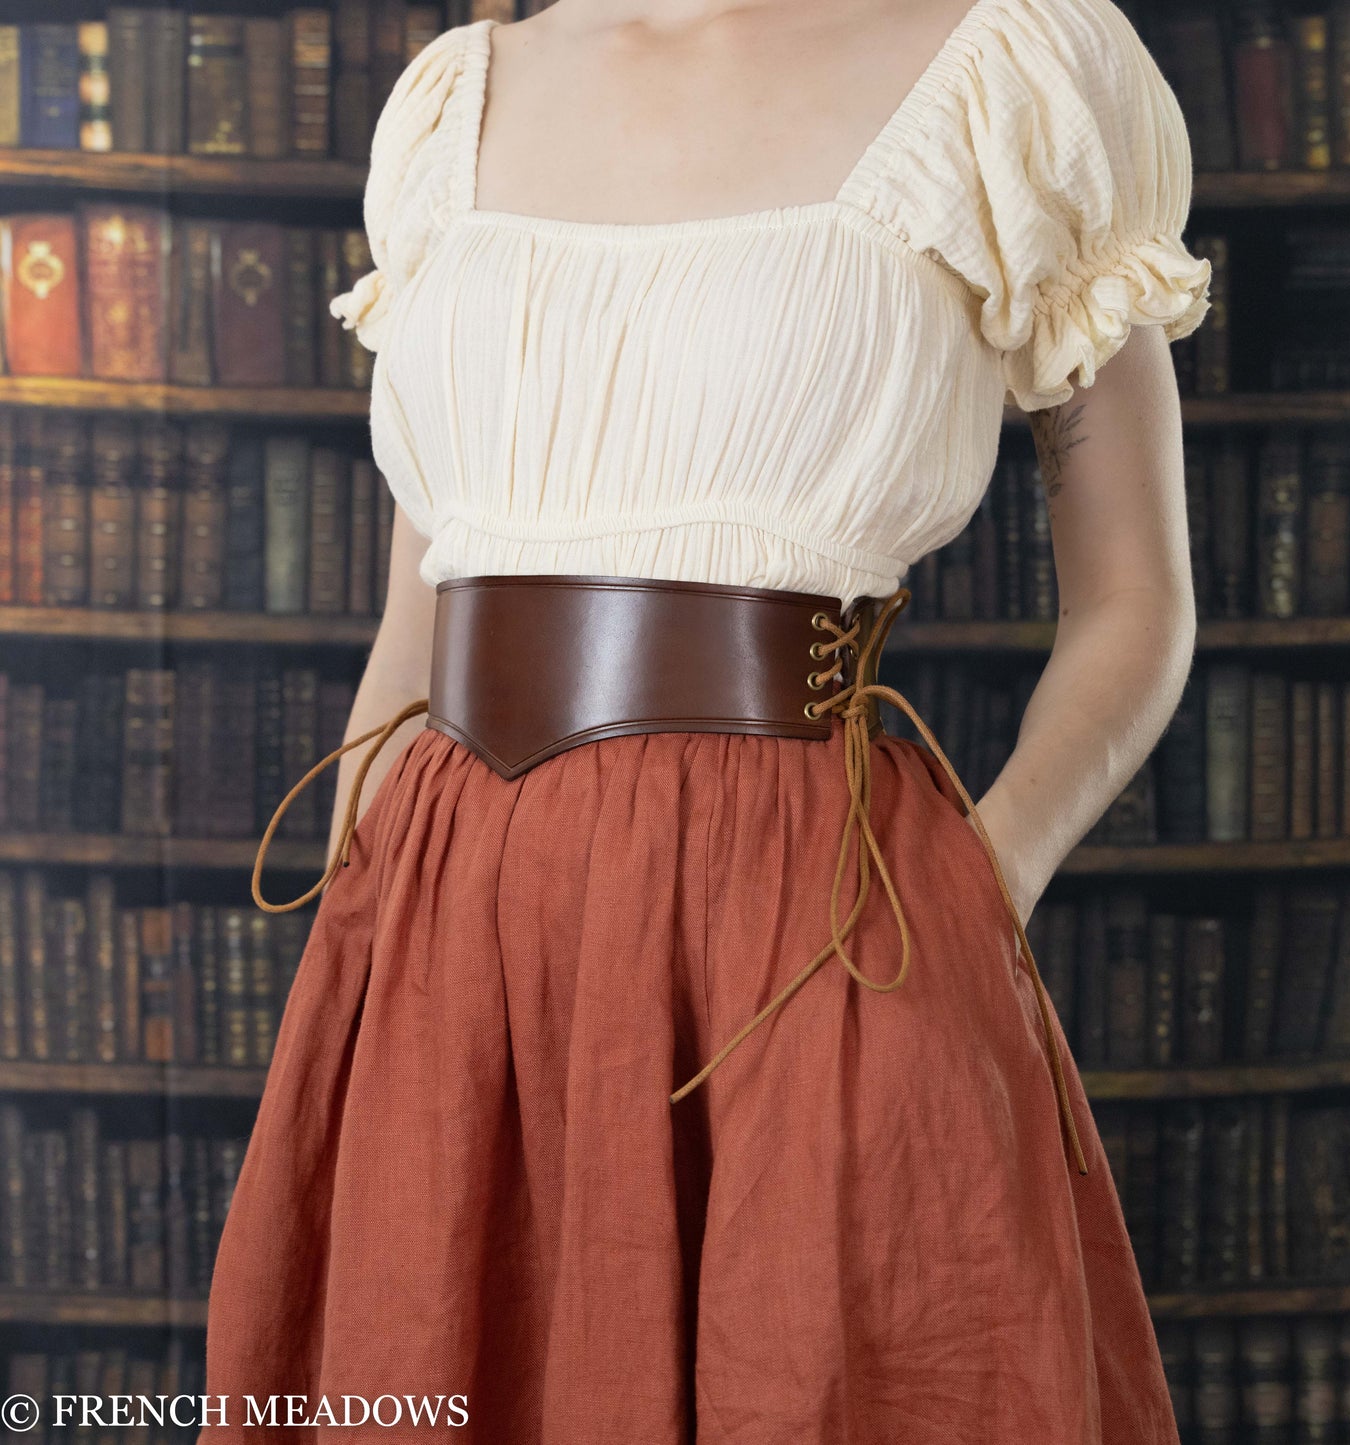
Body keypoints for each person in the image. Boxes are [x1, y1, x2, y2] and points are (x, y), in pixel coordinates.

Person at [201, 0, 1209, 1438]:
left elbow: (1135, 600)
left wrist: (980, 883)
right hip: (447, 921)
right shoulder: (448, 99)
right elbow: (422, 610)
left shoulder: (1011, 68)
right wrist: (362, 931)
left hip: (807, 920)